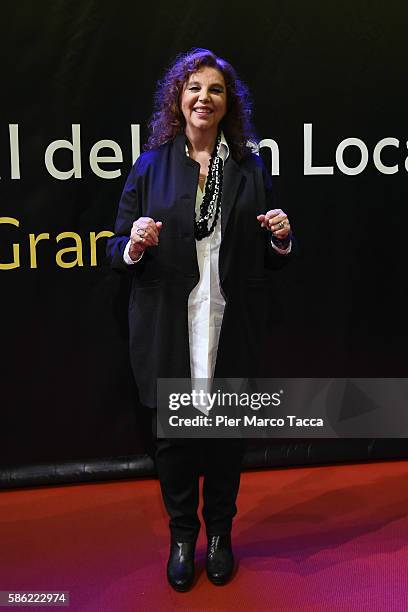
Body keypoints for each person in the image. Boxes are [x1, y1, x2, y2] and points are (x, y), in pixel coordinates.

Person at [107, 48, 293, 591]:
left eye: (215, 89)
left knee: (225, 439)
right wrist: (134, 243)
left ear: (227, 102)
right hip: (169, 323)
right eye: (194, 88)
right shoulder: (150, 165)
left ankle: (219, 536)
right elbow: (114, 247)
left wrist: (280, 237)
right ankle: (183, 537)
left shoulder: (250, 166)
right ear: (178, 98)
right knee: (176, 441)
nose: (203, 98)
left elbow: (271, 248)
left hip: (228, 323)